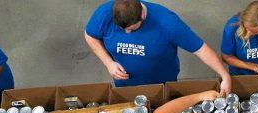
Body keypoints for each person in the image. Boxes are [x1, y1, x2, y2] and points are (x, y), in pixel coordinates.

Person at [85, 0, 231, 94]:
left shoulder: (168, 24)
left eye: (132, 29)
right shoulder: (104, 13)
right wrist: (109, 63)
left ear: (142, 15)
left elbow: (201, 50)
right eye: (122, 28)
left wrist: (225, 75)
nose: (127, 32)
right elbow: (90, 35)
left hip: (161, 83)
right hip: (125, 84)